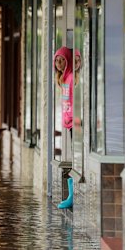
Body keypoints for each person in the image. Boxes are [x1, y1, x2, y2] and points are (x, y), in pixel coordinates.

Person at [54, 46, 74, 209]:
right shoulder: (63, 79)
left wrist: (74, 118)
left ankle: (72, 196)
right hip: (69, 123)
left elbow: (74, 101)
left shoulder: (72, 78)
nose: (59, 63)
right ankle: (71, 195)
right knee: (73, 157)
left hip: (75, 123)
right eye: (57, 60)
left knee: (75, 159)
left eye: (62, 60)